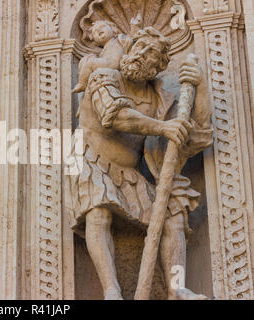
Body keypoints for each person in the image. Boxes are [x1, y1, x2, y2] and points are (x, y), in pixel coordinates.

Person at [69, 26, 213, 300]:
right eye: (140, 46)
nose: (142, 54)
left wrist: (201, 89)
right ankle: (112, 290)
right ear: (129, 47)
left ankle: (176, 288)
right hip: (93, 163)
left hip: (130, 176)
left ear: (158, 67)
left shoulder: (159, 97)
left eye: (151, 53)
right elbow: (116, 116)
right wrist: (163, 127)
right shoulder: (103, 76)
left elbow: (196, 136)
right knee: (97, 211)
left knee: (173, 209)